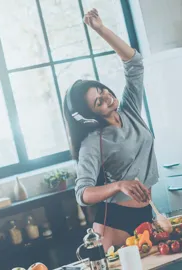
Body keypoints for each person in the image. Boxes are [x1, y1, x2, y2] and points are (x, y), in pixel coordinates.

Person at [63, 8, 159, 251]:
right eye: (98, 102)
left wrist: (100, 30)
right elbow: (82, 193)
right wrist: (119, 185)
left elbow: (134, 63)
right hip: (115, 223)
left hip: (148, 213)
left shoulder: (130, 112)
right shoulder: (93, 141)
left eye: (102, 90)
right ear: (90, 116)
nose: (106, 98)